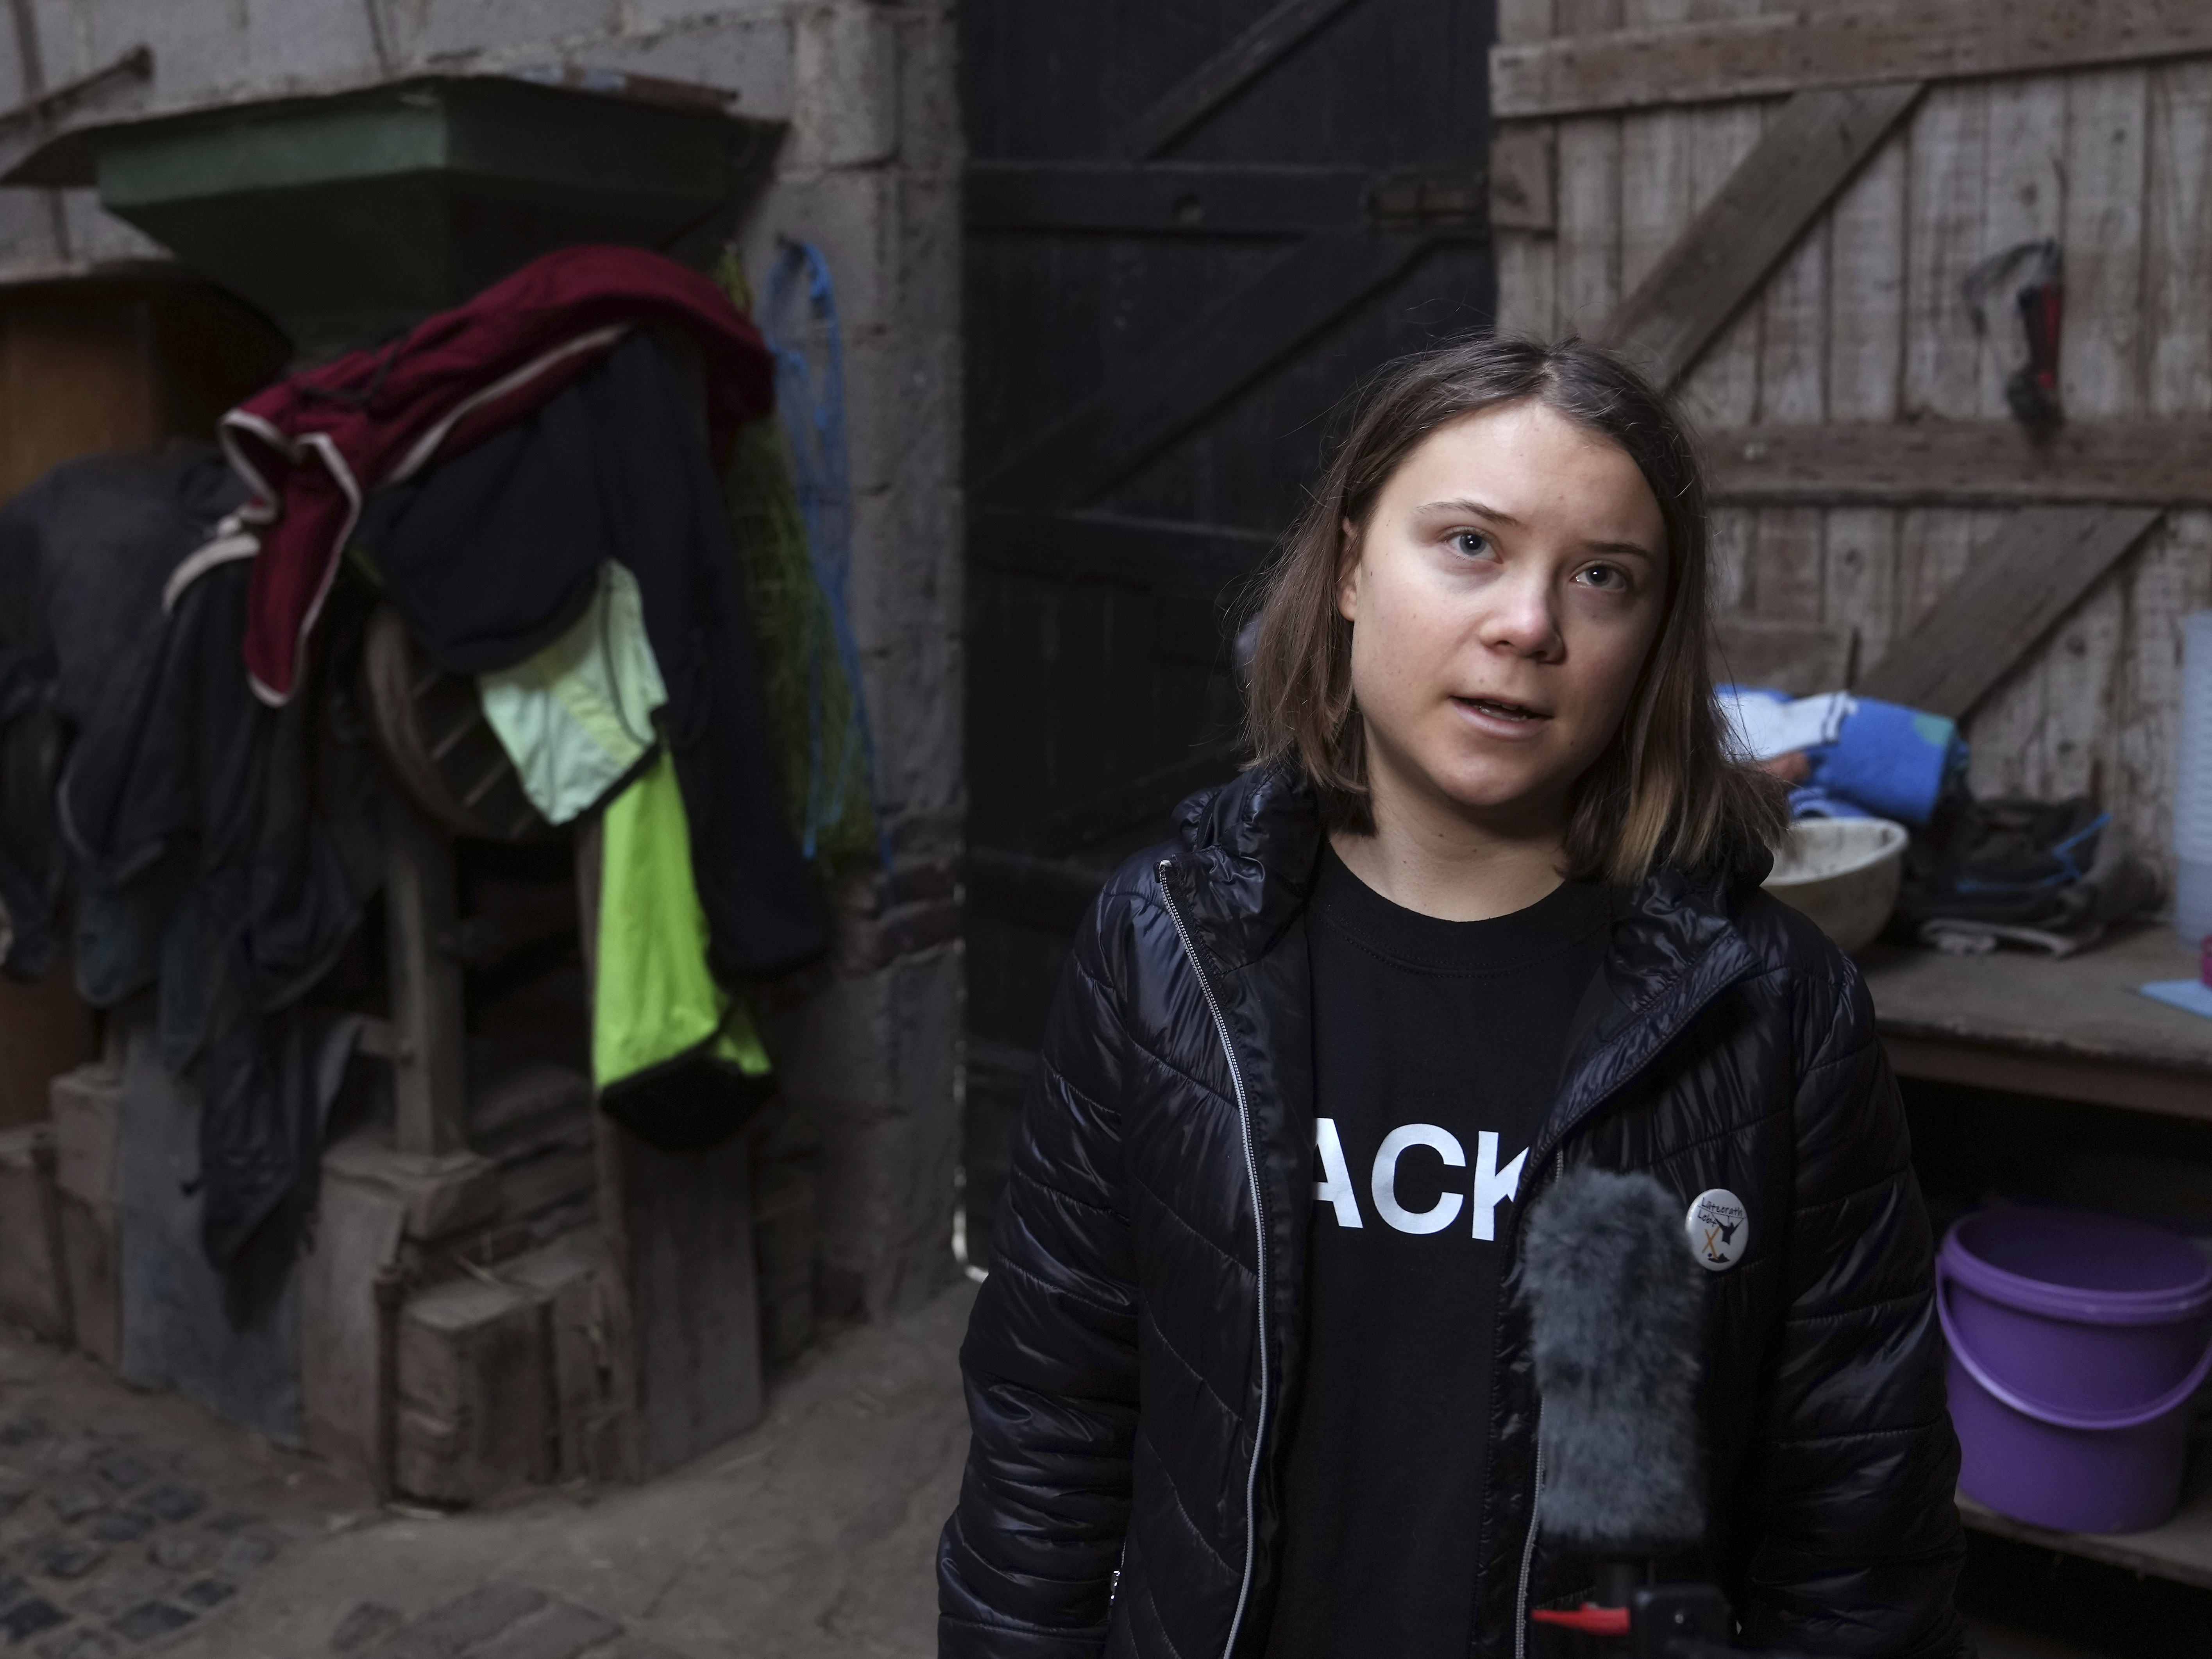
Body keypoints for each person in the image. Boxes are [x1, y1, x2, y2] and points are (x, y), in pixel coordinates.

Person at [937, 336, 1968, 1659]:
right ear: (1356, 565)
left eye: (1604, 578)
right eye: (1472, 545)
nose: (1531, 624)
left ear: (1652, 637)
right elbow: (1050, 1421)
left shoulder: (1777, 1010)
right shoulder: (1162, 947)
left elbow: (1857, 1533)